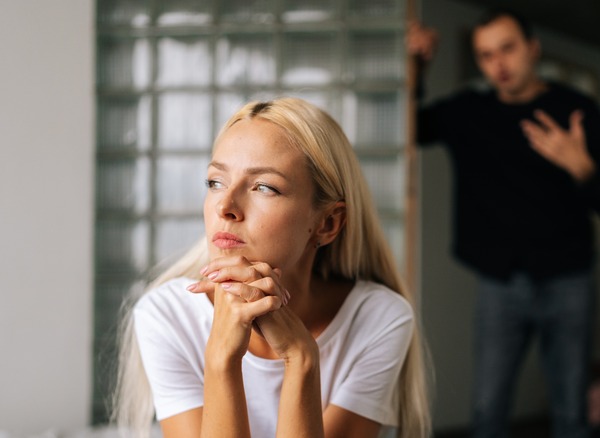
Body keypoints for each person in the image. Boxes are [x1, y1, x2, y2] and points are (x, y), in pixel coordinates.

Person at [111, 97, 432, 438]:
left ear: (327, 224)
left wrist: (301, 358)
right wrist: (222, 357)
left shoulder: (379, 319)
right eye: (215, 182)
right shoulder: (166, 315)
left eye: (264, 187)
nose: (226, 206)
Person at [408, 8, 600, 438]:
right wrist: (418, 64)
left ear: (533, 48)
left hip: (570, 279)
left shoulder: (576, 109)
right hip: (499, 283)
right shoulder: (470, 111)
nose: (499, 64)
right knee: (488, 412)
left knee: (571, 414)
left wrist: (582, 167)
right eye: (486, 55)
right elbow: (412, 128)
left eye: (507, 48)